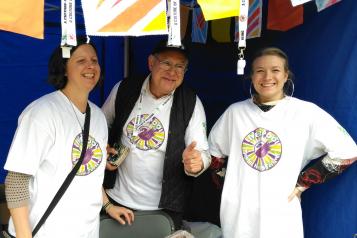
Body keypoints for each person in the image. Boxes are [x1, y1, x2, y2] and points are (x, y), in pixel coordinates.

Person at [208, 47, 357, 238]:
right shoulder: (234, 113)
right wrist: (229, 185)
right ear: (251, 77)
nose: (267, 76)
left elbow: (347, 150)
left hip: (280, 211)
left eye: (275, 70)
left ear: (286, 76)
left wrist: (304, 182)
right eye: (260, 71)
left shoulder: (305, 112)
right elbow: (213, 153)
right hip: (239, 214)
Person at [3, 37, 132, 238]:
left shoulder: (98, 116)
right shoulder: (42, 113)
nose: (90, 66)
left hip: (87, 232)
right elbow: (16, 181)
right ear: (64, 68)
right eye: (81, 61)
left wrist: (107, 205)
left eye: (94, 60)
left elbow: (91, 174)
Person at [101, 40, 211, 230]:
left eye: (180, 66)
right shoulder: (125, 88)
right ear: (151, 63)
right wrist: (103, 148)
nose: (172, 72)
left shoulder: (191, 102)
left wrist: (197, 163)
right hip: (117, 200)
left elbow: (202, 153)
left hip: (165, 208)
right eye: (166, 63)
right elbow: (100, 124)